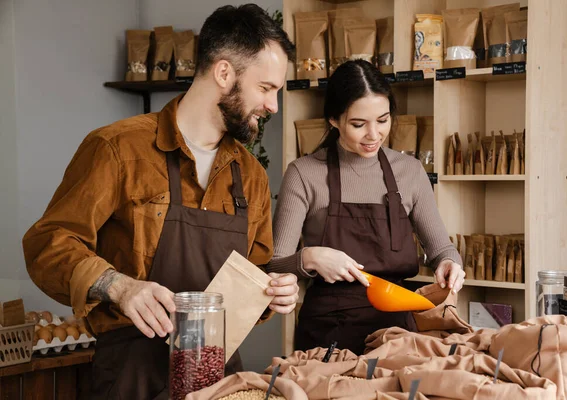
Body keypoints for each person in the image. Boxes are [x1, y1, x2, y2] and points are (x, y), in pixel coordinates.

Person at [22, 4, 298, 399]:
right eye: (266, 88)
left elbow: (254, 271)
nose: (272, 105)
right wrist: (117, 286)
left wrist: (272, 290)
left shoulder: (249, 174)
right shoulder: (118, 148)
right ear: (224, 73)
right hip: (129, 379)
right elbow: (47, 245)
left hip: (220, 382)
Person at [266, 60, 464, 356]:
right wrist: (308, 257)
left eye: (383, 120)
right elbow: (274, 264)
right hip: (327, 331)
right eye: (359, 124)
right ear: (334, 119)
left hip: (396, 331)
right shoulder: (304, 173)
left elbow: (441, 250)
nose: (374, 135)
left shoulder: (408, 170)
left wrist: (450, 263)